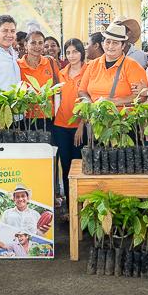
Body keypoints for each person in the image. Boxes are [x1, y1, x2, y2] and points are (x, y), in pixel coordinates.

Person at [78, 23, 147, 104]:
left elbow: (141, 96)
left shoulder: (133, 66)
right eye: (108, 42)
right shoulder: (93, 65)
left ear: (123, 46)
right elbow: (82, 91)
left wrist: (115, 102)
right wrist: (89, 104)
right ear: (102, 44)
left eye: (115, 43)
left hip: (121, 112)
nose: (110, 46)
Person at [54, 39, 87, 200]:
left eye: (75, 52)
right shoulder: (61, 73)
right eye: (68, 52)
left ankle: (82, 203)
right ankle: (69, 204)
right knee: (66, 165)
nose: (71, 56)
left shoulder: (89, 71)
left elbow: (89, 101)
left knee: (79, 165)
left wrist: (81, 125)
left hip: (80, 127)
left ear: (81, 52)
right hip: (60, 126)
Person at [19, 31, 60, 127]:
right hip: (25, 118)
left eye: (40, 43)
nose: (37, 46)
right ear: (26, 45)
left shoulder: (50, 62)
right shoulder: (18, 65)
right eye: (33, 43)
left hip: (49, 116)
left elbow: (58, 87)